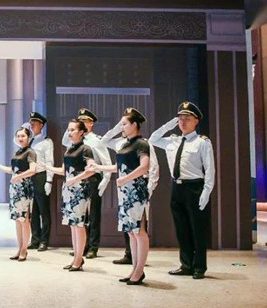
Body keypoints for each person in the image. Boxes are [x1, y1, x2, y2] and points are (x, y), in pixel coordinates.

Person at [88, 108, 156, 285]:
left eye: (124, 124)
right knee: (131, 232)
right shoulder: (125, 144)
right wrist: (99, 167)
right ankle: (134, 268)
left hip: (136, 191)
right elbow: (119, 167)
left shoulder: (142, 144)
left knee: (139, 231)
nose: (121, 127)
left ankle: (140, 270)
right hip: (125, 192)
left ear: (135, 125)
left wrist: (125, 179)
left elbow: (144, 166)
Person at [150, 102, 215, 280]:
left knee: (197, 229)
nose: (183, 122)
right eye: (180, 119)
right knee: (182, 228)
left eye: (187, 119)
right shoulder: (173, 141)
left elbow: (210, 169)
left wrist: (206, 192)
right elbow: (153, 139)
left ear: (196, 121)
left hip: (194, 187)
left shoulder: (202, 142)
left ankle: (199, 267)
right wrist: (171, 123)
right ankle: (186, 265)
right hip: (176, 188)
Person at [42, 119, 96, 272]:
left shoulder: (86, 149)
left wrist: (76, 179)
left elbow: (91, 170)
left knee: (79, 225)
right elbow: (63, 171)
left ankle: (79, 258)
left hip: (80, 190)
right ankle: (76, 258)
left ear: (82, 132)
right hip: (68, 190)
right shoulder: (69, 149)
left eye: (73, 130)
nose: (70, 132)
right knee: (73, 225)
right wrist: (47, 167)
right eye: (68, 129)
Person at [62, 108, 111, 258]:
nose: (82, 123)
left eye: (85, 121)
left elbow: (106, 162)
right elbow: (64, 141)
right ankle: (81, 247)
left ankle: (93, 247)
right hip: (76, 182)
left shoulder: (97, 141)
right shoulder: (73, 141)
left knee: (93, 215)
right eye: (80, 121)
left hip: (92, 178)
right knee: (79, 215)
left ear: (91, 123)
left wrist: (104, 182)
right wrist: (72, 126)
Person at [0, 127, 37, 261]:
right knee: (17, 220)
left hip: (24, 189)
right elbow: (12, 170)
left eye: (23, 136)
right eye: (18, 136)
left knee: (24, 220)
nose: (20, 138)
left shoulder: (30, 152)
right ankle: (19, 247)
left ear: (28, 137)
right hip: (15, 189)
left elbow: (33, 170)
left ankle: (24, 249)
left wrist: (18, 176)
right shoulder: (18, 152)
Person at [23, 112, 54, 251]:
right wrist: (25, 126)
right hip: (31, 177)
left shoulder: (47, 142)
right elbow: (15, 139)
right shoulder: (30, 141)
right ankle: (35, 239)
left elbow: (50, 162)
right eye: (31, 123)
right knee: (33, 211)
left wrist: (49, 181)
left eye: (34, 124)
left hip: (41, 176)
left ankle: (44, 241)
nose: (32, 126)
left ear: (41, 125)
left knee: (43, 211)